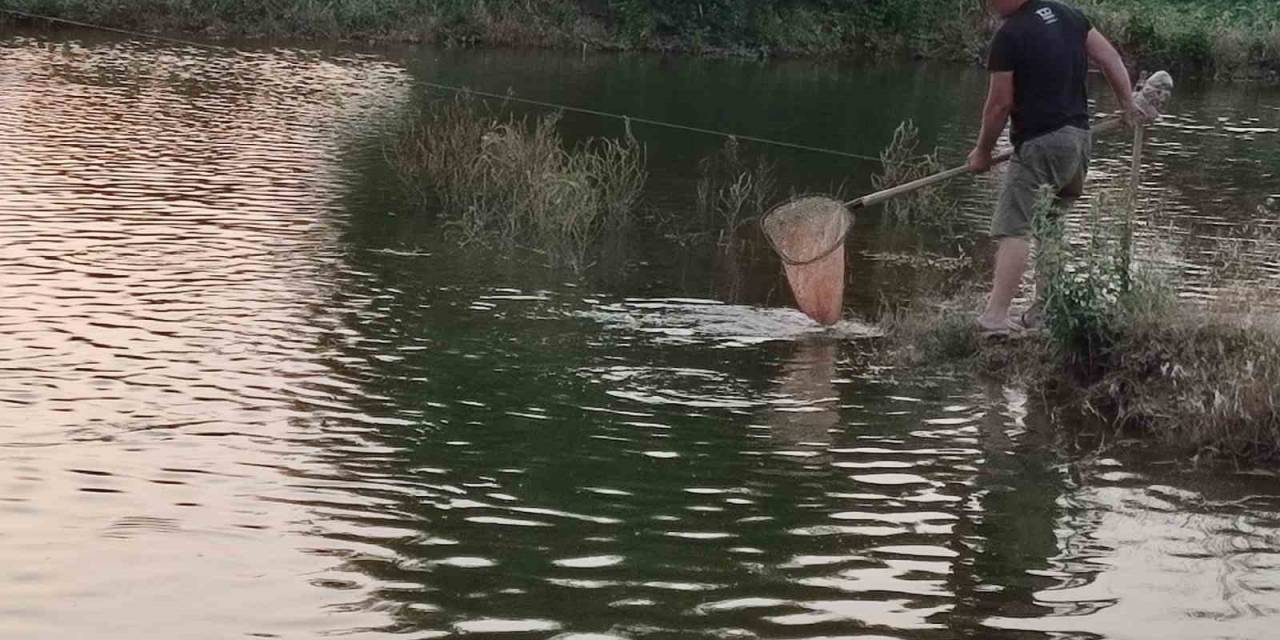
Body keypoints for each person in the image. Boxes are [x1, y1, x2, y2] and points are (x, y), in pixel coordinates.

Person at [967, 0, 1140, 335]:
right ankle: (1044, 312)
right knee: (1050, 227)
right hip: (1078, 142)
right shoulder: (1070, 15)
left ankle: (996, 317)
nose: (987, 3)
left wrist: (983, 152)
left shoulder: (1010, 35)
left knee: (1014, 227)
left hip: (1041, 145)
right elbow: (1110, 59)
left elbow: (999, 104)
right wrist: (1128, 105)